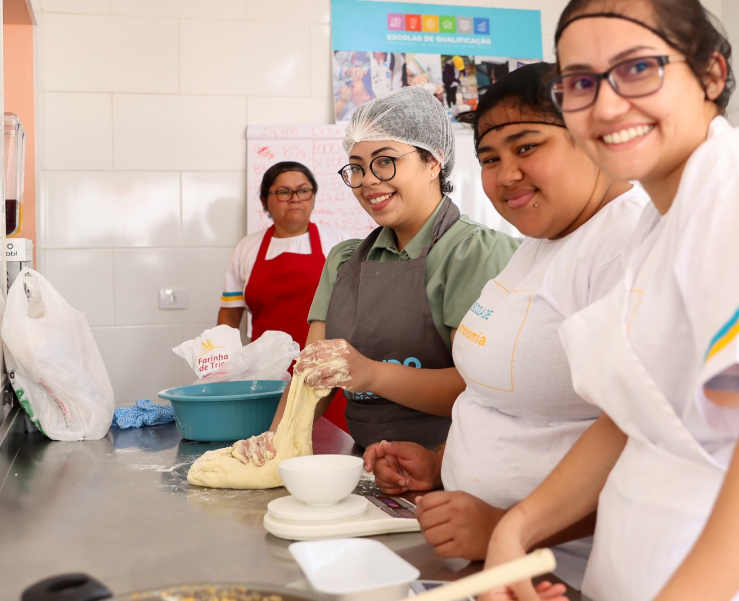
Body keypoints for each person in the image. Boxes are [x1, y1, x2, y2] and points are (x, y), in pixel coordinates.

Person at [483, 2, 739, 600]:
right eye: (580, 83)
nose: (606, 106)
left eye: (638, 69)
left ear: (710, 73)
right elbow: (635, 420)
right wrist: (517, 528)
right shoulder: (656, 225)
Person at [361, 63, 648, 590]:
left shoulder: (628, 245)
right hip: (486, 555)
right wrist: (438, 464)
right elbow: (500, 399)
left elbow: (644, 448)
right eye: (490, 158)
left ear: (593, 136)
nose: (505, 174)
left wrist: (507, 528)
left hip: (565, 571)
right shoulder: (538, 242)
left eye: (526, 146)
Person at [252, 85, 518, 452]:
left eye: (385, 160)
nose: (369, 181)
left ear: (433, 161)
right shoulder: (345, 262)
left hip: (453, 471)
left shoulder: (472, 253)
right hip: (366, 464)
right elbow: (313, 376)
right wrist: (273, 443)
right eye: (357, 168)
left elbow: (478, 387)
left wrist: (372, 373)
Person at [218, 161, 349, 348]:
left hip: (324, 366)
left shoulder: (339, 243)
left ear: (313, 197)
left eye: (303, 191)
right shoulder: (247, 247)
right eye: (284, 192)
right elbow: (230, 314)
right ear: (264, 201)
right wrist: (221, 359)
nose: (295, 199)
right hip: (263, 369)